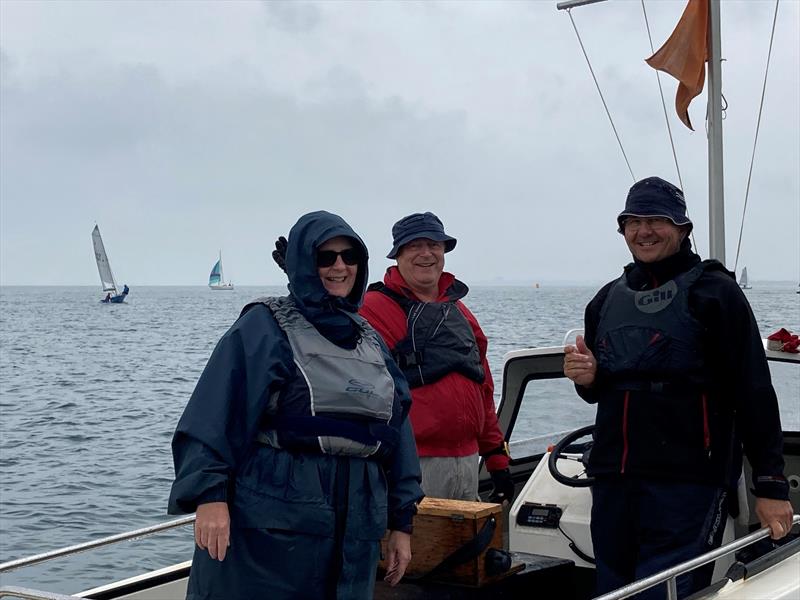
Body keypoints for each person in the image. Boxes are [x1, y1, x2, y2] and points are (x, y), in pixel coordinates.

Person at [168, 211, 424, 600]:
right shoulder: (263, 328)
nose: (339, 266)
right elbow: (213, 414)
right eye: (326, 257)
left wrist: (401, 522)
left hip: (354, 534)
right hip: (272, 531)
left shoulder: (371, 341)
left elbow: (398, 436)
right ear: (304, 263)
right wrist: (210, 498)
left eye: (349, 256)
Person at [563, 177, 793, 599]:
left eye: (657, 220)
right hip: (613, 478)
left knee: (669, 591)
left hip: (689, 482)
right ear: (623, 229)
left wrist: (772, 485)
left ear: (683, 228)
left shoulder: (716, 293)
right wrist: (587, 377)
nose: (644, 230)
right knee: (612, 588)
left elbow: (755, 392)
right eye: (634, 221)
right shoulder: (604, 301)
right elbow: (598, 391)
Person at [359, 212, 514, 503]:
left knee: (468, 548)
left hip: (468, 463)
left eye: (434, 245)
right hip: (407, 465)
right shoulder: (370, 310)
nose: (426, 253)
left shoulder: (462, 315)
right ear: (397, 255)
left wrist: (496, 458)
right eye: (415, 246)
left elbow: (484, 390)